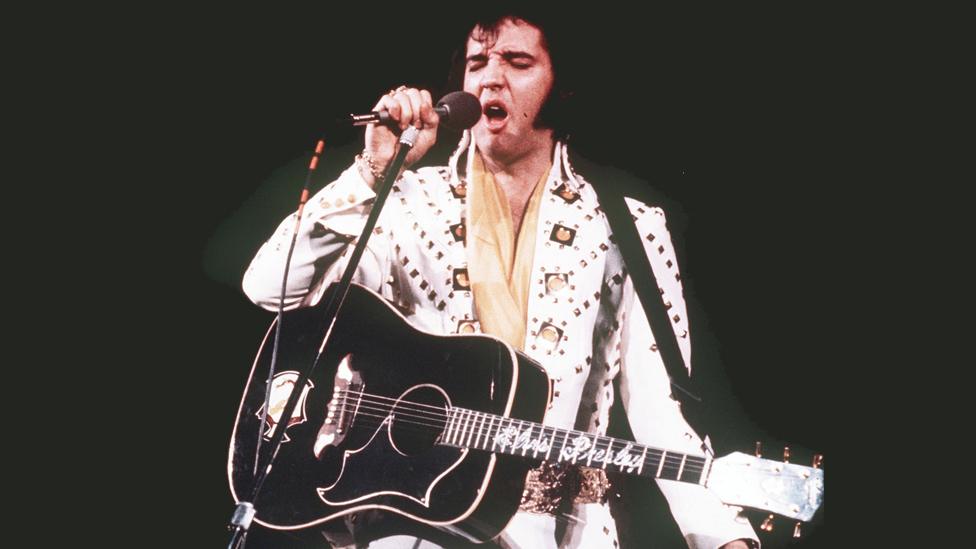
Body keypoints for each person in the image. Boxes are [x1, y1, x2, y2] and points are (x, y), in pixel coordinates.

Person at [242, 9, 760, 549]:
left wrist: (725, 537)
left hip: (566, 533)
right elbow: (269, 287)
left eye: (517, 61)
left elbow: (657, 411)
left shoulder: (625, 227)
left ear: (561, 85)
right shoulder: (404, 202)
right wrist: (372, 173)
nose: (490, 78)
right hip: (418, 530)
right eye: (476, 63)